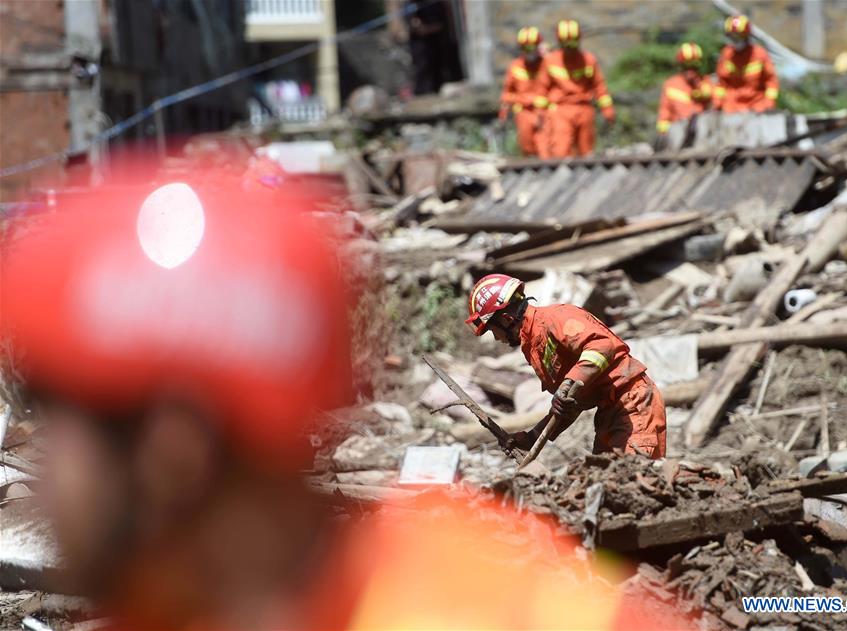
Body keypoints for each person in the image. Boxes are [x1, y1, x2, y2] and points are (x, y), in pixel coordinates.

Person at [2, 173, 688, 629]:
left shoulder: (517, 611)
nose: (45, 454)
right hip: (608, 415)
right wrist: (543, 419)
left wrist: (564, 397)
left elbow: (601, 356)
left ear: (172, 445)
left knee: (632, 486)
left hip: (629, 410)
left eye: (56, 409)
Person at [466, 274, 666, 459]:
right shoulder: (534, 345)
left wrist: (568, 383)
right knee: (605, 482)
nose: (497, 339)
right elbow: (570, 402)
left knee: (633, 481)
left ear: (507, 319)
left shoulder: (557, 318)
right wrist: (533, 437)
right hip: (609, 413)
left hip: (633, 403)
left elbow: (602, 346)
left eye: (493, 331)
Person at [537, 19, 616, 158]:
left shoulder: (589, 60)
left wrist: (607, 110)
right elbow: (542, 89)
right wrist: (540, 112)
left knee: (586, 152)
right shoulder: (550, 61)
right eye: (565, 43)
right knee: (560, 150)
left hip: (584, 109)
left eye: (572, 43)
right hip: (560, 110)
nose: (569, 47)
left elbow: (599, 86)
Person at [500, 26, 550, 158]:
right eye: (525, 48)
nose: (529, 52)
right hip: (524, 113)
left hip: (544, 113)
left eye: (532, 48)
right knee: (527, 147)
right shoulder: (515, 67)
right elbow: (506, 93)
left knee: (545, 149)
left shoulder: (547, 64)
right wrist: (504, 113)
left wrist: (549, 55)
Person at [714, 14, 779, 113]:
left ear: (747, 35)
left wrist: (769, 103)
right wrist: (717, 104)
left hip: (757, 107)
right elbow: (721, 83)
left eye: (739, 36)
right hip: (731, 109)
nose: (736, 39)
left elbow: (771, 81)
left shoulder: (760, 54)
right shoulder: (726, 54)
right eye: (733, 36)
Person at [656, 43, 714, 135]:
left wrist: (702, 92)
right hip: (678, 131)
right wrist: (663, 127)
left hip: (702, 132)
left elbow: (716, 101)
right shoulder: (671, 84)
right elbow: (664, 110)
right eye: (687, 66)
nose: (690, 71)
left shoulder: (705, 82)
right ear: (681, 65)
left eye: (694, 66)